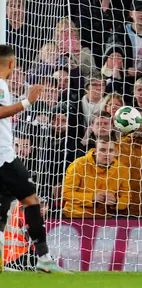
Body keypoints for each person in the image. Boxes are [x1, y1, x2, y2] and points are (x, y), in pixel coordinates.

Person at [0, 45, 66, 272]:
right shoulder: (0, 84)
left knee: (2, 207)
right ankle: (44, 258)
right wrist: (28, 102)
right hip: (4, 158)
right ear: (10, 64)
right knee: (31, 201)